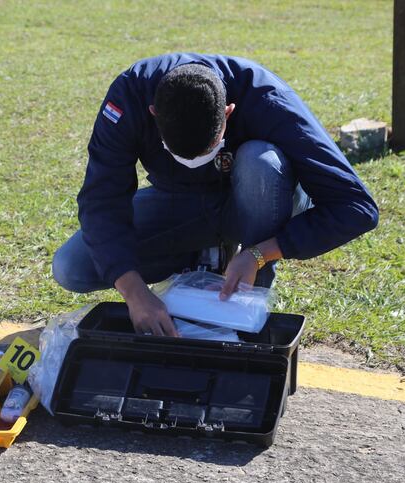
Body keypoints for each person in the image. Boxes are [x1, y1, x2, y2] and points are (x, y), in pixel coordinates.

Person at [52, 53, 378, 336]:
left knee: (260, 163)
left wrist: (261, 253)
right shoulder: (129, 98)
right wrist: (134, 291)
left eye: (206, 151)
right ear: (153, 114)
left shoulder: (268, 98)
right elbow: (102, 200)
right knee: (71, 266)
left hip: (258, 201)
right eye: (178, 153)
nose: (194, 163)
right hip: (180, 202)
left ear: (229, 113)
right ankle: (197, 260)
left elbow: (356, 207)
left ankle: (249, 288)